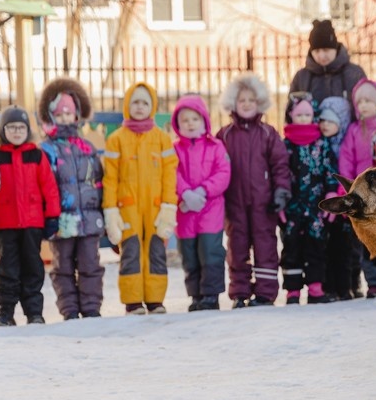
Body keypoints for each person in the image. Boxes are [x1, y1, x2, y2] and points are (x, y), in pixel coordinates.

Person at [103, 82, 177, 315]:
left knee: (156, 252)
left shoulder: (162, 139)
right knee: (131, 252)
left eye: (145, 102)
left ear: (152, 106)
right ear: (126, 105)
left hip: (156, 209)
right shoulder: (116, 139)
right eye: (135, 102)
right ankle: (133, 301)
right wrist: (111, 210)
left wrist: (168, 207)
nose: (140, 107)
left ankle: (155, 300)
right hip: (127, 208)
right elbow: (110, 178)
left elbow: (169, 175)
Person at [218, 74, 291, 308]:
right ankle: (239, 291)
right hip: (234, 202)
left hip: (264, 202)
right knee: (237, 246)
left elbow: (280, 165)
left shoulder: (268, 133)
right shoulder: (225, 135)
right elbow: (217, 165)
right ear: (233, 104)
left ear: (259, 102)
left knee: (265, 245)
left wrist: (281, 191)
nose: (247, 104)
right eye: (242, 100)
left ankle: (265, 292)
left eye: (251, 99)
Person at [38, 77, 105, 321]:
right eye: (60, 114)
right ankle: (68, 309)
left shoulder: (87, 147)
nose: (66, 119)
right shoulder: (47, 149)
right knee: (63, 266)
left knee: (90, 264)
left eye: (69, 113)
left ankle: (91, 307)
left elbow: (98, 179)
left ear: (77, 115)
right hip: (62, 218)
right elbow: (44, 184)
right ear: (51, 116)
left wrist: (101, 209)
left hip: (88, 217)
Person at [0, 106, 61, 327]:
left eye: (21, 127)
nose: (17, 131)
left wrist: (52, 217)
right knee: (7, 269)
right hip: (6, 223)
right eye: (11, 127)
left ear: (28, 130)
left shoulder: (37, 155)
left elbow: (49, 187)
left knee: (32, 267)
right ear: (3, 130)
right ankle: (6, 313)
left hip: (32, 222)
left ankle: (34, 313)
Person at [172, 94, 231, 312]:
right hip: (185, 210)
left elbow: (223, 173)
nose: (190, 124)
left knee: (210, 251)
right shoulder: (174, 149)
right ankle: (196, 294)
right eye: (184, 120)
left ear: (204, 121)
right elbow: (172, 172)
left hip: (210, 209)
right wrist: (185, 193)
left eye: (194, 119)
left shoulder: (216, 146)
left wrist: (203, 191)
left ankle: (210, 295)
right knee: (189, 254)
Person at [280, 99, 338, 304]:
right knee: (291, 247)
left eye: (307, 115)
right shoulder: (285, 144)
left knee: (316, 246)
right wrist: (280, 200)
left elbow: (330, 171)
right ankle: (292, 289)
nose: (303, 119)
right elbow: (280, 173)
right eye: (299, 115)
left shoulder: (322, 144)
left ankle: (315, 287)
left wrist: (332, 194)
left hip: (316, 207)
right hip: (292, 206)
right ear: (291, 116)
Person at [339, 78, 376, 298]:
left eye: (369, 100)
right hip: (361, 196)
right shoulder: (353, 130)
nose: (365, 105)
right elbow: (346, 159)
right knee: (367, 241)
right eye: (361, 101)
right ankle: (374, 283)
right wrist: (347, 190)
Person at [318, 96, 356, 301]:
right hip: (324, 202)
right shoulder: (319, 145)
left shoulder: (345, 144)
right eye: (322, 120)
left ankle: (347, 286)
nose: (325, 125)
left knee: (345, 248)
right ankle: (329, 287)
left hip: (343, 202)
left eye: (331, 121)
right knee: (327, 247)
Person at [288, 19, 366, 103]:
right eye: (317, 51)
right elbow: (291, 110)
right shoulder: (302, 77)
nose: (321, 56)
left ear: (335, 49)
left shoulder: (354, 73)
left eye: (326, 50)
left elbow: (367, 107)